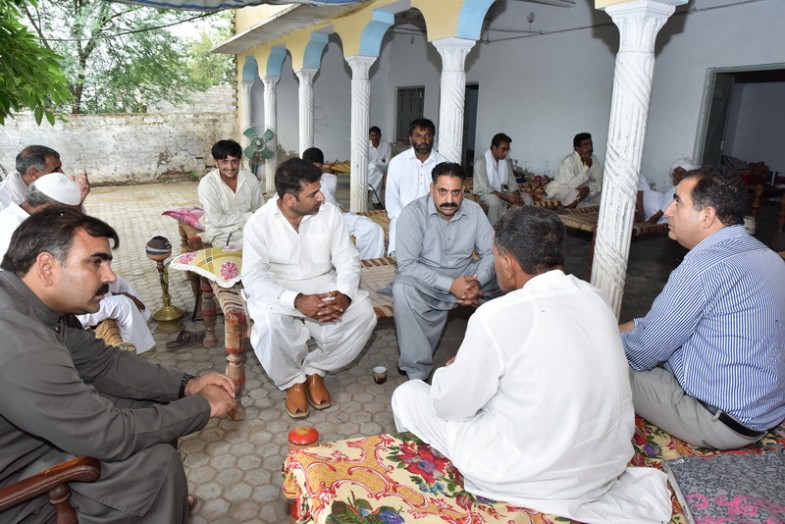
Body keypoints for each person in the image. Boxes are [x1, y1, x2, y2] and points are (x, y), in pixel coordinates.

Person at [392, 206, 672, 523]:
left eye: (495, 255)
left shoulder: (496, 315)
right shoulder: (595, 297)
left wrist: (450, 371)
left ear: (509, 264)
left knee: (410, 394)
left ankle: (442, 493)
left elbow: (449, 405)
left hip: (532, 474)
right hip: (605, 467)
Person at [0, 208, 238, 523]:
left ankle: (167, 499)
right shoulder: (18, 341)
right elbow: (109, 436)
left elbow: (103, 362)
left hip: (34, 445)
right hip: (19, 488)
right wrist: (203, 407)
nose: (110, 277)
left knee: (154, 402)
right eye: (95, 262)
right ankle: (160, 500)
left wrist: (186, 385)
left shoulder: (29, 300)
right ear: (46, 267)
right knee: (156, 461)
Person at [620, 165, 785, 450]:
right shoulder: (768, 256)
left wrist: (603, 338)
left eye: (678, 202)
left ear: (707, 216)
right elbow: (661, 324)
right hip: (766, 409)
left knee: (600, 359)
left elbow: (645, 350)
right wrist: (627, 329)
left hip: (722, 421)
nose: (669, 210)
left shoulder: (702, 266)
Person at [242, 158, 377, 419]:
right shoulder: (259, 224)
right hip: (277, 290)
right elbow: (253, 277)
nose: (322, 198)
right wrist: (296, 300)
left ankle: (315, 370)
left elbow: (347, 259)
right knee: (269, 327)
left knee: (363, 314)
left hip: (323, 282)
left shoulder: (329, 214)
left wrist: (346, 295)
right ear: (290, 200)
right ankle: (293, 380)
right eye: (313, 193)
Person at [0, 173, 156, 353]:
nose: (73, 218)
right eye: (69, 213)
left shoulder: (33, 216)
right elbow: (50, 288)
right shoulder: (12, 230)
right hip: (36, 312)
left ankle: (144, 330)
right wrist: (111, 297)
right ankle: (139, 355)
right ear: (48, 208)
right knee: (124, 305)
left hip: (53, 291)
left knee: (118, 282)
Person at [393, 162, 497, 380]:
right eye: (443, 191)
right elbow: (407, 265)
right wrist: (451, 285)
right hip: (427, 277)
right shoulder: (412, 214)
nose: (449, 199)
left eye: (456, 192)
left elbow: (490, 252)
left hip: (468, 274)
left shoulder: (474, 211)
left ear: (463, 191)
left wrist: (478, 282)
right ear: (432, 189)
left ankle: (496, 358)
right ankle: (417, 372)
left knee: (511, 278)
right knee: (403, 288)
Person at [302, 147, 385, 259]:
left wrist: (340, 209)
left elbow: (330, 196)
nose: (317, 171)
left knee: (373, 229)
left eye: (320, 167)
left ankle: (367, 265)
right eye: (313, 167)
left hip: (339, 217)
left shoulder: (325, 179)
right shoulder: (296, 183)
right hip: (317, 222)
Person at [385, 118, 448, 255]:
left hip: (434, 218)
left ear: (433, 138)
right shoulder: (397, 163)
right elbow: (392, 201)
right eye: (418, 136)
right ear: (410, 138)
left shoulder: (444, 164)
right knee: (398, 250)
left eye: (428, 136)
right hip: (403, 218)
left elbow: (446, 199)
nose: (423, 140)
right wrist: (408, 219)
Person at [197, 139, 264, 246]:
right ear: (216, 163)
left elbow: (259, 209)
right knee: (255, 245)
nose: (230, 167)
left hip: (249, 226)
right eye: (224, 161)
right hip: (221, 232)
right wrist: (249, 216)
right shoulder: (207, 184)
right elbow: (217, 220)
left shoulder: (250, 179)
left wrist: (252, 218)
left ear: (240, 161)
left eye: (234, 161)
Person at [0, 145, 89, 211]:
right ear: (33, 173)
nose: (61, 173)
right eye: (55, 170)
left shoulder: (56, 187)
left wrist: (78, 200)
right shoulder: (3, 200)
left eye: (60, 168)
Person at [472, 132, 530, 225]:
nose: (506, 153)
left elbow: (512, 184)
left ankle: (522, 227)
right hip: (483, 193)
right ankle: (492, 230)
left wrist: (517, 198)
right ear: (494, 148)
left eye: (507, 150)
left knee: (527, 198)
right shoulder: (481, 163)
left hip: (500, 191)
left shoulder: (505, 163)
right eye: (503, 149)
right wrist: (508, 198)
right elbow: (486, 189)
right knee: (495, 201)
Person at [545, 132, 602, 208]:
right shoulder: (569, 161)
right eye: (586, 145)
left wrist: (588, 188)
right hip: (566, 189)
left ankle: (580, 205)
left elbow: (599, 180)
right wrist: (586, 168)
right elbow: (571, 185)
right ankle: (576, 206)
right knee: (572, 192)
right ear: (577, 148)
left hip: (584, 190)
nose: (590, 148)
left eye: (591, 144)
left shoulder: (593, 158)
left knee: (604, 189)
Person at [635, 157, 699, 224]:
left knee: (638, 178)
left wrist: (654, 219)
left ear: (688, 175)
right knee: (640, 178)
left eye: (682, 172)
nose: (678, 175)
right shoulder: (674, 188)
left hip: (657, 212)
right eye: (676, 172)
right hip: (657, 210)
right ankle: (640, 213)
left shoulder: (683, 187)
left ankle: (640, 214)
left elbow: (668, 204)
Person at [368, 126, 391, 209]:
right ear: (369, 136)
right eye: (372, 136)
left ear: (380, 135)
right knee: (378, 172)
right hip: (370, 169)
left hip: (382, 167)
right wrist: (379, 162)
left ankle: (368, 189)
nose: (374, 138)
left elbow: (388, 162)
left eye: (376, 135)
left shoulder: (386, 145)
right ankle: (376, 201)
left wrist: (377, 163)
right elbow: (365, 163)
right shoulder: (366, 146)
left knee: (375, 168)